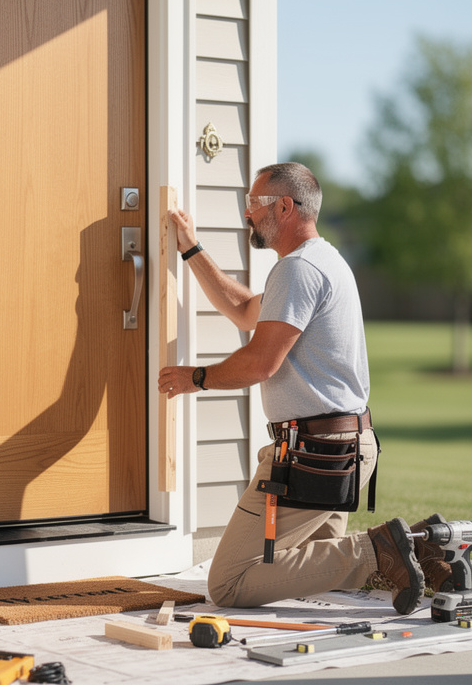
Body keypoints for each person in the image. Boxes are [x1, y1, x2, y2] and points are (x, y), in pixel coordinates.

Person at [156, 161, 450, 614]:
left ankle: (379, 551)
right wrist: (191, 248)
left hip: (314, 455)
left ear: (286, 207)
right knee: (306, 570)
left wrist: (195, 378)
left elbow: (259, 363)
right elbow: (243, 309)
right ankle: (417, 547)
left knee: (230, 583)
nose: (247, 213)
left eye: (254, 203)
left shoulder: (298, 271)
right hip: (343, 447)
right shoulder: (322, 261)